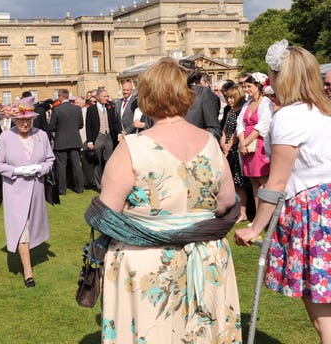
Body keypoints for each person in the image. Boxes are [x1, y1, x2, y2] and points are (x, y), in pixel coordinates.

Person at [86, 57, 241, 343]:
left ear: (146, 97)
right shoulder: (210, 143)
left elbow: (107, 212)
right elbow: (227, 200)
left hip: (147, 262)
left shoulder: (133, 147)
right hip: (205, 255)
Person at [235, 41, 331, 344]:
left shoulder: (291, 116)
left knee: (326, 320)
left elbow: (277, 181)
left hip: (318, 214)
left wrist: (254, 228)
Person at [0, 96, 55, 287]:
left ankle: (28, 262)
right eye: (21, 120)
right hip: (14, 191)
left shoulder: (42, 135)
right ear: (15, 120)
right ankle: (28, 271)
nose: (24, 123)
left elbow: (50, 160)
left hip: (35, 191)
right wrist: (15, 171)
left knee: (32, 227)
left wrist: (40, 169)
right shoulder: (6, 137)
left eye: (27, 120)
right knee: (21, 229)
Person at [237, 72, 274, 214]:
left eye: (249, 86)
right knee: (253, 181)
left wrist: (245, 142)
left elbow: (262, 126)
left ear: (258, 86)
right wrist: (242, 142)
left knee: (263, 180)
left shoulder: (266, 103)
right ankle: (258, 214)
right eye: (245, 86)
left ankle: (266, 214)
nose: (246, 89)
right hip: (247, 147)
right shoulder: (247, 104)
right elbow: (240, 124)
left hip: (260, 145)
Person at [220, 84, 251, 221]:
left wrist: (229, 145)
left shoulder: (241, 112)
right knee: (231, 181)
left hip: (235, 149)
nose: (230, 100)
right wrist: (223, 143)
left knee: (239, 183)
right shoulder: (230, 111)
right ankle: (235, 209)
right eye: (228, 98)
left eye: (232, 97)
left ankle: (243, 212)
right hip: (228, 149)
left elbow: (237, 132)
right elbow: (225, 130)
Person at [49, 88, 84, 195]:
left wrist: (59, 129)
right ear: (68, 96)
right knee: (76, 165)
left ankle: (62, 189)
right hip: (75, 140)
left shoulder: (57, 109)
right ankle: (79, 188)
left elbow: (51, 126)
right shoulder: (77, 109)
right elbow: (81, 125)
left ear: (60, 97)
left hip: (61, 141)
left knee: (61, 166)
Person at [85, 88, 119, 190]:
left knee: (109, 161)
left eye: (107, 96)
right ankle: (99, 186)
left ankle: (109, 183)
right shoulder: (91, 109)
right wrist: (90, 141)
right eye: (104, 96)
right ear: (98, 97)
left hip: (109, 137)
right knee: (98, 162)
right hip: (98, 137)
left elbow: (114, 123)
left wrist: (118, 134)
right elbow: (88, 126)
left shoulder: (110, 108)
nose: (106, 98)